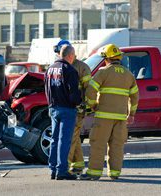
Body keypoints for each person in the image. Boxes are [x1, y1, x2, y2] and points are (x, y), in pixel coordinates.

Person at [80, 44, 139, 180]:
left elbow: (90, 90)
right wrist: (132, 114)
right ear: (119, 58)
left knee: (98, 144)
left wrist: (93, 105)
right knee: (117, 146)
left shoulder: (103, 72)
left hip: (103, 116)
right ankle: (114, 173)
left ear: (107, 59)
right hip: (121, 118)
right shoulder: (129, 75)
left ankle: (94, 173)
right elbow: (135, 96)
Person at [53, 40, 91, 174]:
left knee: (69, 138)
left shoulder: (81, 67)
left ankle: (66, 168)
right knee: (73, 137)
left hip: (77, 109)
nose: (59, 56)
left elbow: (89, 89)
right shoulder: (60, 66)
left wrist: (86, 106)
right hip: (66, 108)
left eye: (60, 53)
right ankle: (79, 165)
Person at [45, 45, 81, 180]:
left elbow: (46, 88)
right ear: (70, 56)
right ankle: (61, 170)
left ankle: (52, 169)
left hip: (53, 108)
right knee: (64, 140)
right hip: (67, 109)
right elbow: (74, 94)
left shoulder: (50, 69)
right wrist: (79, 101)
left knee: (54, 139)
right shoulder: (69, 70)